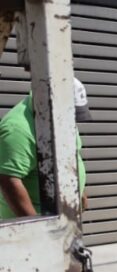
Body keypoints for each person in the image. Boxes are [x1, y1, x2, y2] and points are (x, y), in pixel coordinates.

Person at [0, 77, 92, 218]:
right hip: (26, 228)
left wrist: (79, 190)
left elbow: (72, 155)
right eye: (69, 114)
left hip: (62, 218)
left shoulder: (61, 119)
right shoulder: (18, 129)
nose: (71, 120)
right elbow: (9, 181)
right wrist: (38, 229)